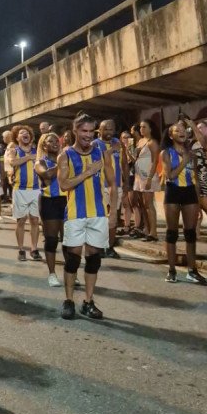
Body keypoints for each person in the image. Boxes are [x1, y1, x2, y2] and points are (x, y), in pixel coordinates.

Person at [57, 112, 116, 321]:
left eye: (91, 131)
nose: (88, 135)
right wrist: (87, 173)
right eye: (84, 131)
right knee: (72, 259)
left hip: (98, 214)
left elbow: (112, 183)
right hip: (75, 214)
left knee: (93, 259)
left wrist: (113, 212)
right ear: (75, 130)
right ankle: (69, 301)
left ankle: (88, 302)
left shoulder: (102, 152)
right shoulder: (65, 155)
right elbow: (64, 185)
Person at [160, 120, 207, 284]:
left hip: (189, 192)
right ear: (170, 135)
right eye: (177, 130)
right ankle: (171, 271)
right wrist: (184, 161)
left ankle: (192, 271)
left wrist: (198, 202)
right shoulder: (166, 153)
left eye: (183, 130)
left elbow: (196, 180)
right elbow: (170, 175)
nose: (182, 133)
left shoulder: (192, 153)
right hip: (173, 191)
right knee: (171, 233)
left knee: (190, 233)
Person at [34, 132, 65, 287]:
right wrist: (62, 163)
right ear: (44, 145)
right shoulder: (40, 162)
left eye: (56, 141)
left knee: (69, 241)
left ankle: (71, 272)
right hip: (49, 201)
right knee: (52, 240)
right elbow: (47, 175)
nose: (55, 143)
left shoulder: (65, 158)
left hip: (67, 201)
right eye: (50, 141)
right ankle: (52, 274)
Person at [7, 124, 42, 261]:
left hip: (36, 189)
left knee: (35, 220)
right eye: (21, 133)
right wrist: (29, 157)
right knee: (21, 221)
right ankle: (21, 249)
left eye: (27, 132)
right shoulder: (14, 150)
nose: (25, 134)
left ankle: (34, 249)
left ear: (30, 137)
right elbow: (12, 163)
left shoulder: (37, 151)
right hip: (20, 190)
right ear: (17, 137)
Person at [95, 119, 126, 258]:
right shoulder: (94, 144)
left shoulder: (118, 143)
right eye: (105, 129)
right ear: (100, 130)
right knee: (101, 218)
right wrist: (112, 150)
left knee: (113, 217)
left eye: (111, 129)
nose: (108, 132)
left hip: (117, 186)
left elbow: (124, 163)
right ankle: (99, 247)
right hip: (100, 186)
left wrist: (127, 183)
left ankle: (110, 247)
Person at [133, 119, 161, 241]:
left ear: (150, 129)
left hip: (148, 176)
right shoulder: (140, 141)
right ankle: (146, 229)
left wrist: (149, 178)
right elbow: (136, 159)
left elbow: (155, 161)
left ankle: (153, 232)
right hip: (139, 176)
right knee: (142, 204)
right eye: (140, 127)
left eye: (144, 127)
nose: (141, 129)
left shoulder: (152, 142)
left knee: (149, 204)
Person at [192, 119, 207, 224]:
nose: (198, 129)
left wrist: (193, 126)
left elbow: (205, 144)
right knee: (200, 208)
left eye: (200, 127)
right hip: (197, 178)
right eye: (197, 127)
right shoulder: (194, 144)